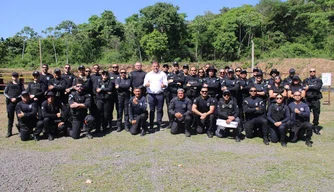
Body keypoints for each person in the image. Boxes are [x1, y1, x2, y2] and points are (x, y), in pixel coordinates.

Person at [143, 61, 168, 131]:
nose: (155, 67)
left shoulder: (162, 74)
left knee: (159, 110)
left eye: (156, 66)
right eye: (154, 66)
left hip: (160, 94)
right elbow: (144, 83)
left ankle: (159, 125)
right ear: (152, 67)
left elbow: (166, 83)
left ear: (159, 66)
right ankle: (151, 125)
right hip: (151, 95)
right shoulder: (148, 74)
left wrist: (164, 85)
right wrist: (146, 84)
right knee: (152, 110)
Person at [4, 72, 25, 138]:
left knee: (19, 117)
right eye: (14, 76)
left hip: (18, 103)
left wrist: (16, 98)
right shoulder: (9, 84)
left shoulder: (20, 84)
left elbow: (23, 92)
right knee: (10, 117)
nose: (15, 77)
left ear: (17, 77)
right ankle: (9, 132)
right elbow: (5, 92)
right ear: (12, 77)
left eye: (16, 76)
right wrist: (10, 98)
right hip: (10, 103)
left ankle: (21, 131)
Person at [303, 68, 323, 135]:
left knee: (316, 114)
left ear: (315, 72)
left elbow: (318, 87)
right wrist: (311, 87)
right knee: (306, 114)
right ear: (309, 72)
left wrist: (309, 87)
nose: (312, 72)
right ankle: (307, 127)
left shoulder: (319, 80)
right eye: (311, 71)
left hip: (315, 100)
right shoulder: (306, 80)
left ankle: (315, 127)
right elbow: (304, 87)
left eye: (313, 71)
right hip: (307, 100)